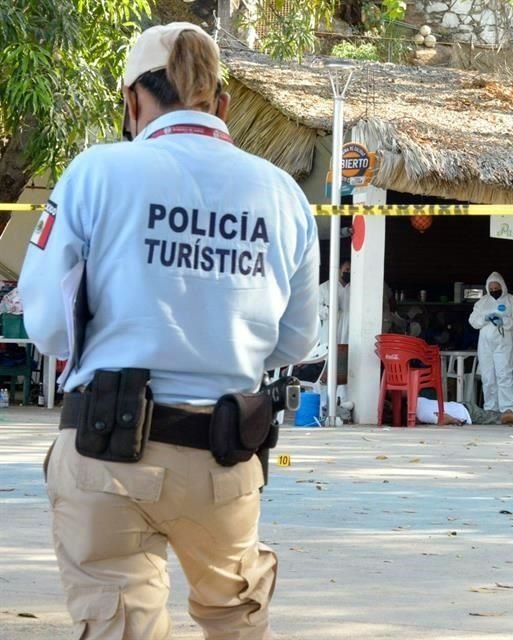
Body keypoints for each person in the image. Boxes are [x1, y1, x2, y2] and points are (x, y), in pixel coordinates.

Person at [19, 22, 320, 639]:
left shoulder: (96, 174)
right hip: (223, 456)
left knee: (119, 626)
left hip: (106, 454)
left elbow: (46, 326)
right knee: (235, 619)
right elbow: (294, 342)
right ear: (222, 102)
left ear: (131, 100)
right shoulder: (284, 194)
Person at [468, 272, 513, 412]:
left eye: (496, 287)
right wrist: (485, 319)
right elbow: (473, 321)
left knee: (504, 375)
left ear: (502, 286)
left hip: (504, 343)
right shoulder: (482, 302)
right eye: (491, 288)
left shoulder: (512, 301)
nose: (494, 291)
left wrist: (504, 321)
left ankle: (507, 409)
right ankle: (490, 408)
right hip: (485, 344)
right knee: (488, 377)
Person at [415, 395, 513, 426]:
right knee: (497, 415)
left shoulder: (421, 414)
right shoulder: (418, 399)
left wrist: (455, 421)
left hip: (467, 413)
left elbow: (444, 417)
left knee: (502, 418)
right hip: (461, 405)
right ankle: (512, 413)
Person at [318, 258, 350, 349]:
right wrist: (329, 310)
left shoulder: (355, 287)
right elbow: (315, 309)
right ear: (339, 270)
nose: (349, 272)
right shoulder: (325, 287)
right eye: (347, 269)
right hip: (331, 329)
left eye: (351, 270)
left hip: (349, 329)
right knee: (329, 357)